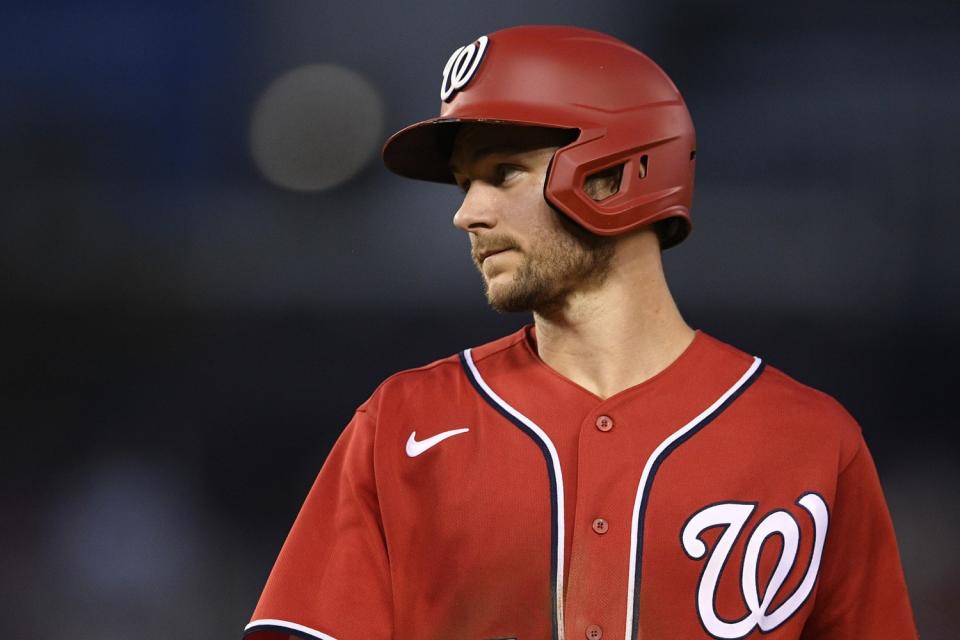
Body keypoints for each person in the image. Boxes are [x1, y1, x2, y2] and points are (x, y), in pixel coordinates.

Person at [244, 25, 917, 640]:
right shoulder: (404, 423)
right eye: (461, 185)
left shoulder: (810, 441)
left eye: (502, 173)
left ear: (616, 173)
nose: (468, 214)